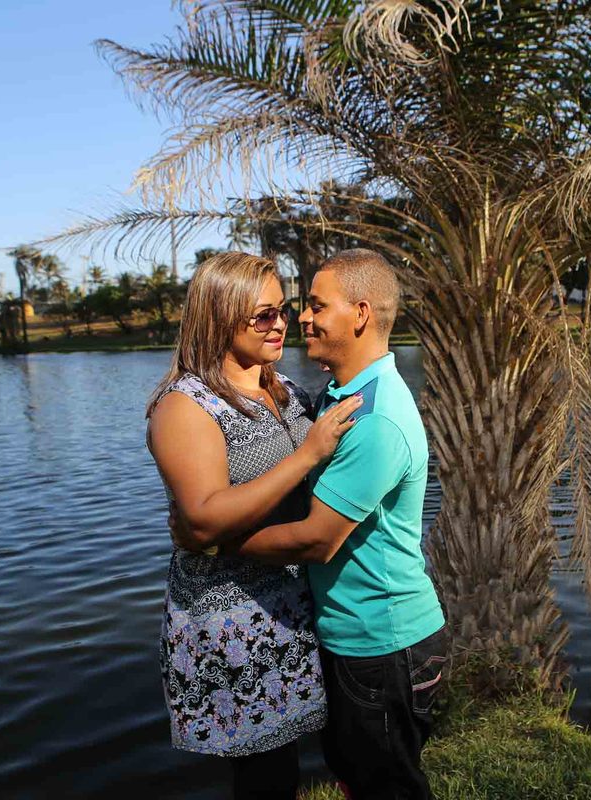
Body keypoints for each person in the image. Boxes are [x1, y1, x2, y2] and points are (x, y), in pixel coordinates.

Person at [220, 249, 449, 800]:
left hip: (381, 643)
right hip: (357, 639)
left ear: (361, 314)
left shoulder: (375, 419)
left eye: (317, 305)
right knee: (357, 777)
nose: (303, 317)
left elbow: (318, 539)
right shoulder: (342, 397)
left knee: (388, 789)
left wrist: (218, 542)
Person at [145, 252, 364, 800]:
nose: (280, 324)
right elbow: (203, 519)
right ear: (220, 317)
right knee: (265, 778)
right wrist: (308, 454)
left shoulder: (286, 389)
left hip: (297, 607)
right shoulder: (185, 406)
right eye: (263, 315)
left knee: (311, 762)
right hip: (235, 621)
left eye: (282, 311)